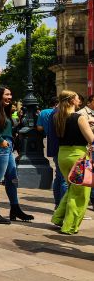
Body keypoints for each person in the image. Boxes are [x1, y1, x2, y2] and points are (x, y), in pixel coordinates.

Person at [0, 86, 34, 224]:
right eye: (7, 94)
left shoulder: (4, 111)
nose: (10, 97)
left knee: (12, 179)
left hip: (7, 149)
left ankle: (15, 208)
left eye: (11, 94)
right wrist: (1, 141)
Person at [51, 91, 94, 234]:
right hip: (78, 157)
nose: (79, 100)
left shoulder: (57, 117)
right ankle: (69, 226)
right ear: (71, 101)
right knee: (81, 194)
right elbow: (91, 139)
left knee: (72, 189)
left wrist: (85, 122)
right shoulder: (79, 118)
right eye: (77, 98)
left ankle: (58, 218)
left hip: (63, 155)